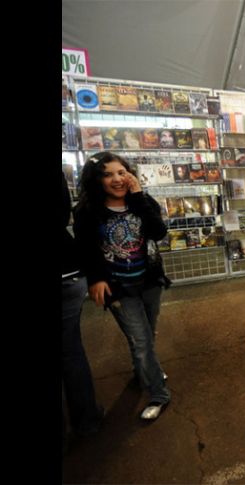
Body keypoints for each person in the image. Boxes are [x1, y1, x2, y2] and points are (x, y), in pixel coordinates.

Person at [73, 151, 172, 421]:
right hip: (118, 287)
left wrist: (138, 196)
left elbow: (158, 232)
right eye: (107, 174)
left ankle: (145, 370)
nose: (117, 179)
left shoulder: (141, 201)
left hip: (150, 281)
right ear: (96, 180)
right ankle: (158, 393)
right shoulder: (87, 211)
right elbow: (85, 249)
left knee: (146, 337)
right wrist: (96, 278)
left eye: (121, 172)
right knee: (141, 342)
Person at [62, 172, 104, 448]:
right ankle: (87, 420)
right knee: (71, 351)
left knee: (71, 351)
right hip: (66, 272)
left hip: (67, 275)